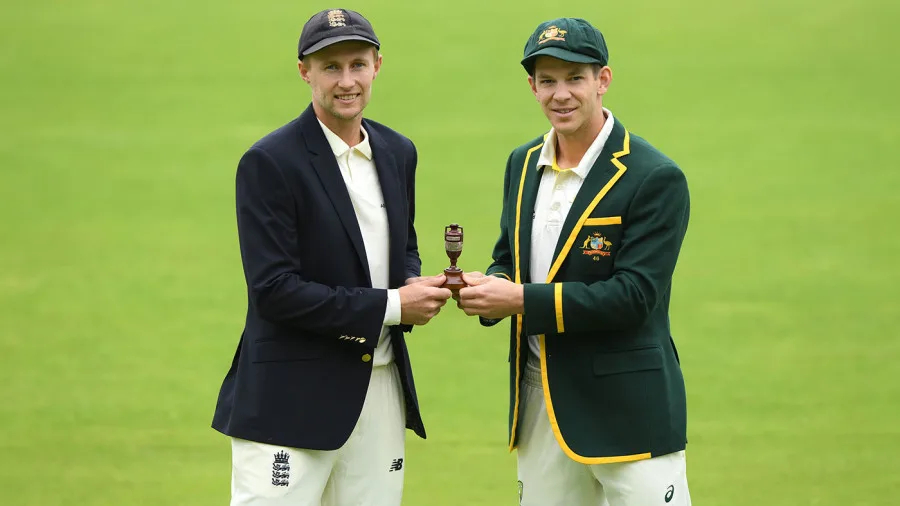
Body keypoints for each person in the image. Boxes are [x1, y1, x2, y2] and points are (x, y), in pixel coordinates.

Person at [211, 8, 452, 506]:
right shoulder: (270, 162)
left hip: (379, 390)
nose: (347, 81)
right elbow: (274, 290)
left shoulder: (396, 151)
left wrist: (414, 285)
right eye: (331, 67)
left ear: (378, 65)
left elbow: (399, 246)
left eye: (358, 65)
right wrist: (392, 306)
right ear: (305, 71)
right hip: (290, 398)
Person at [457, 17, 692, 506]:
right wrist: (490, 291)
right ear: (532, 86)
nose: (560, 94)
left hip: (629, 412)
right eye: (547, 81)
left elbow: (633, 298)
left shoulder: (655, 177)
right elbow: (510, 258)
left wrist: (518, 299)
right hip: (540, 405)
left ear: (602, 80)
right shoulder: (522, 164)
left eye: (574, 78)